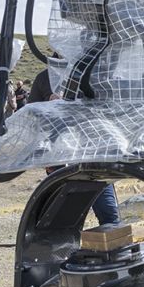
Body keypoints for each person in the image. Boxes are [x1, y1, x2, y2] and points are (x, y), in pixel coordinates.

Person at [26, 66, 120, 225]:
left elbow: (108, 110)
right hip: (59, 161)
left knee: (109, 216)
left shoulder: (94, 74)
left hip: (94, 157)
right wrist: (50, 106)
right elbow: (32, 119)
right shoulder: (44, 78)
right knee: (67, 218)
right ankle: (69, 249)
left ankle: (112, 244)